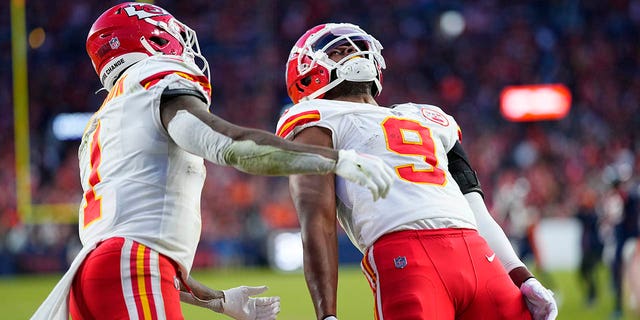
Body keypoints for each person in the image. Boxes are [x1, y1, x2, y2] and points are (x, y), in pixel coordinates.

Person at [32, 5, 393, 320]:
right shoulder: (152, 79)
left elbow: (131, 239)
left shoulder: (106, 119)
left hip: (93, 277)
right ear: (153, 40)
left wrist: (218, 301)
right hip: (131, 267)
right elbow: (229, 145)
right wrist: (333, 160)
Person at [276, 23, 558, 320]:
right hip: (407, 254)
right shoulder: (316, 118)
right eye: (338, 50)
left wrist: (520, 274)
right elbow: (317, 219)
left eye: (357, 46)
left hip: (477, 255)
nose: (352, 53)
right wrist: (327, 314)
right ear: (305, 75)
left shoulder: (429, 117)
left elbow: (475, 209)